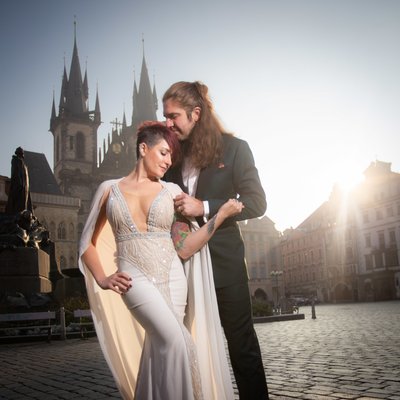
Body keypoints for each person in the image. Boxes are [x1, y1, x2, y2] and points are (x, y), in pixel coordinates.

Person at [79, 122, 240, 400]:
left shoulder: (171, 191)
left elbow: (186, 247)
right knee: (178, 343)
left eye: (171, 157)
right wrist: (103, 279)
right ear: (144, 148)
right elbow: (87, 244)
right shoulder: (109, 189)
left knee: (159, 348)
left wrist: (220, 215)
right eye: (164, 153)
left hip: (173, 279)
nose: (168, 161)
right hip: (135, 280)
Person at [163, 81, 269, 399]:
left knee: (241, 348)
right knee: (185, 348)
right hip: (181, 268)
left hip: (225, 266)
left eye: (174, 116)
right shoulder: (171, 159)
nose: (167, 123)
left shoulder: (235, 149)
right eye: (165, 116)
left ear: (196, 114)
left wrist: (206, 207)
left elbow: (257, 202)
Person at [5, 147, 33, 215]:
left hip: (24, 188)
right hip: (19, 186)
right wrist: (20, 183)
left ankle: (22, 216)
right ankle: (17, 217)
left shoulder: (24, 165)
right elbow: (15, 172)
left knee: (24, 204)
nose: (23, 154)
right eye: (21, 153)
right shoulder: (15, 160)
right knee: (18, 204)